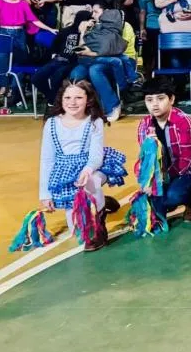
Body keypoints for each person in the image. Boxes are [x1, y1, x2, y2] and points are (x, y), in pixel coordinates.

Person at [38, 79, 127, 252]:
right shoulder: (51, 124)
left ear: (88, 100)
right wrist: (45, 193)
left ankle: (99, 228)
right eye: (68, 98)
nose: (72, 102)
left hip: (93, 166)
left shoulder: (94, 121)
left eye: (78, 97)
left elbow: (96, 155)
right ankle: (101, 202)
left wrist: (87, 169)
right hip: (64, 170)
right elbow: (47, 160)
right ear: (61, 100)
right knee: (77, 231)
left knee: (90, 183)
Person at [136, 77, 191, 223]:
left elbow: (187, 160)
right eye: (149, 100)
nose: (154, 104)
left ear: (171, 99)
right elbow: (145, 159)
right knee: (152, 203)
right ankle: (165, 201)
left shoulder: (184, 122)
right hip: (160, 174)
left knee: (172, 197)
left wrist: (164, 181)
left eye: (160, 98)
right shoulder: (144, 125)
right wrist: (149, 182)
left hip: (185, 171)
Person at [0, 0, 57, 99]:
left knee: (19, 61)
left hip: (20, 34)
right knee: (2, 60)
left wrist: (49, 29)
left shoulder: (22, 4)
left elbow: (34, 20)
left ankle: (15, 90)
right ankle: (4, 86)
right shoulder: (0, 3)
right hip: (4, 33)